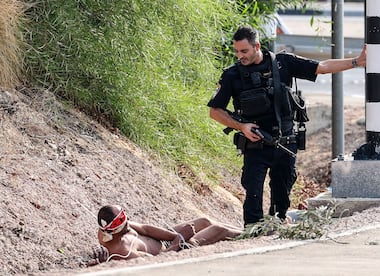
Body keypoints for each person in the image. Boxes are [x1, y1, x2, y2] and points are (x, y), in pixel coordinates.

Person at [207, 25, 366, 226]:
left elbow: (322, 67)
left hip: (285, 143)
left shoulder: (283, 63)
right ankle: (253, 233)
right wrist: (242, 127)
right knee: (253, 197)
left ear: (257, 46)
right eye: (237, 51)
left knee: (281, 201)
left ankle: (277, 228)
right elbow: (215, 111)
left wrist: (356, 62)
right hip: (256, 146)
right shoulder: (232, 75)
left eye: (244, 51)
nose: (240, 56)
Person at [88, 204, 242, 266]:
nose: (127, 221)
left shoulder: (120, 228)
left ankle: (245, 231)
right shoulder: (121, 251)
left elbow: (146, 229)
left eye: (124, 215)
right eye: (120, 220)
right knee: (217, 230)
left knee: (204, 221)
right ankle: (252, 236)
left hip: (169, 242)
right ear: (112, 230)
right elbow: (156, 263)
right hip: (173, 251)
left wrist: (175, 235)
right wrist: (180, 240)